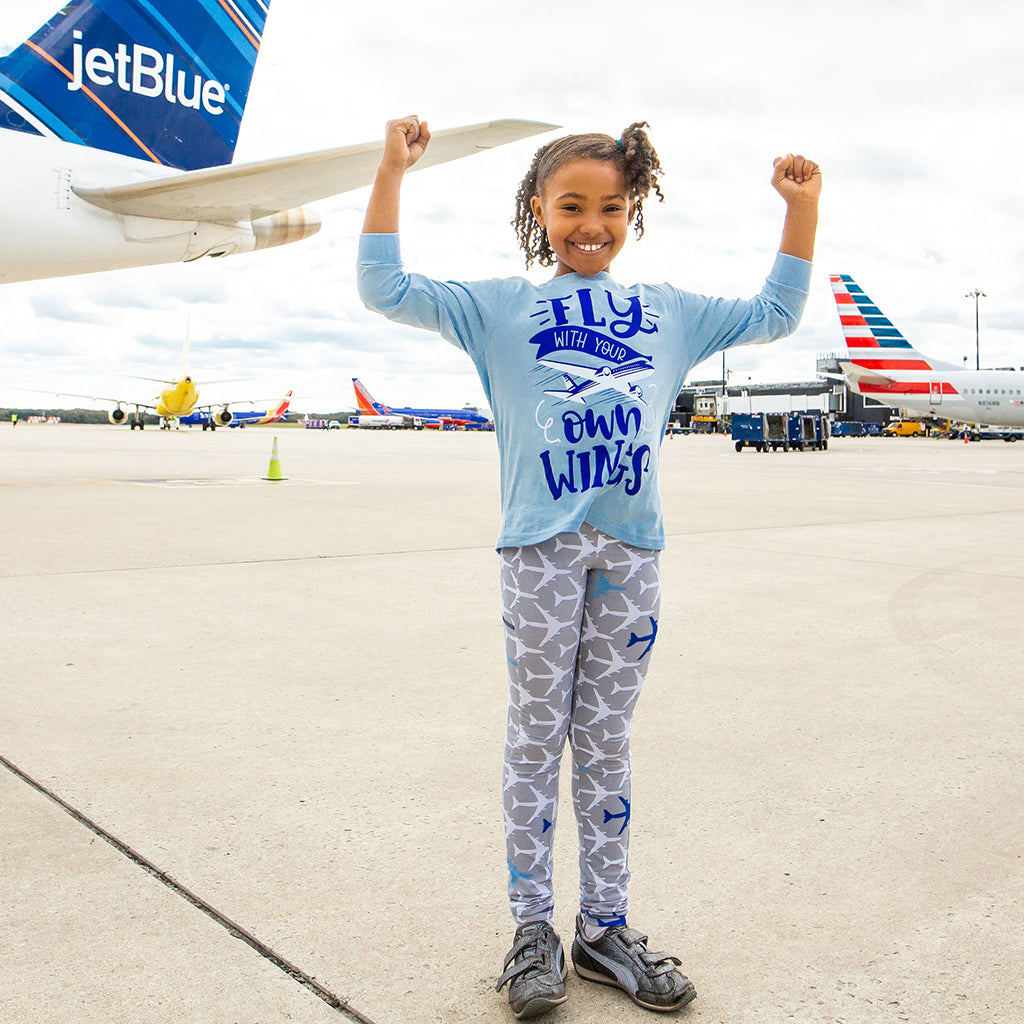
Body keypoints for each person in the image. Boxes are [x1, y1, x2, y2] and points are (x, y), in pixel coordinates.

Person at [358, 115, 820, 1019]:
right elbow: (384, 286)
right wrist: (390, 172)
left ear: (633, 209)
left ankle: (603, 929)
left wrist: (801, 212)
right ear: (540, 209)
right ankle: (532, 929)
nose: (591, 224)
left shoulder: (671, 313)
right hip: (540, 549)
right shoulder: (498, 306)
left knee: (606, 744)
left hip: (631, 551)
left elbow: (775, 315)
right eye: (571, 206)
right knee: (537, 737)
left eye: (611, 206)